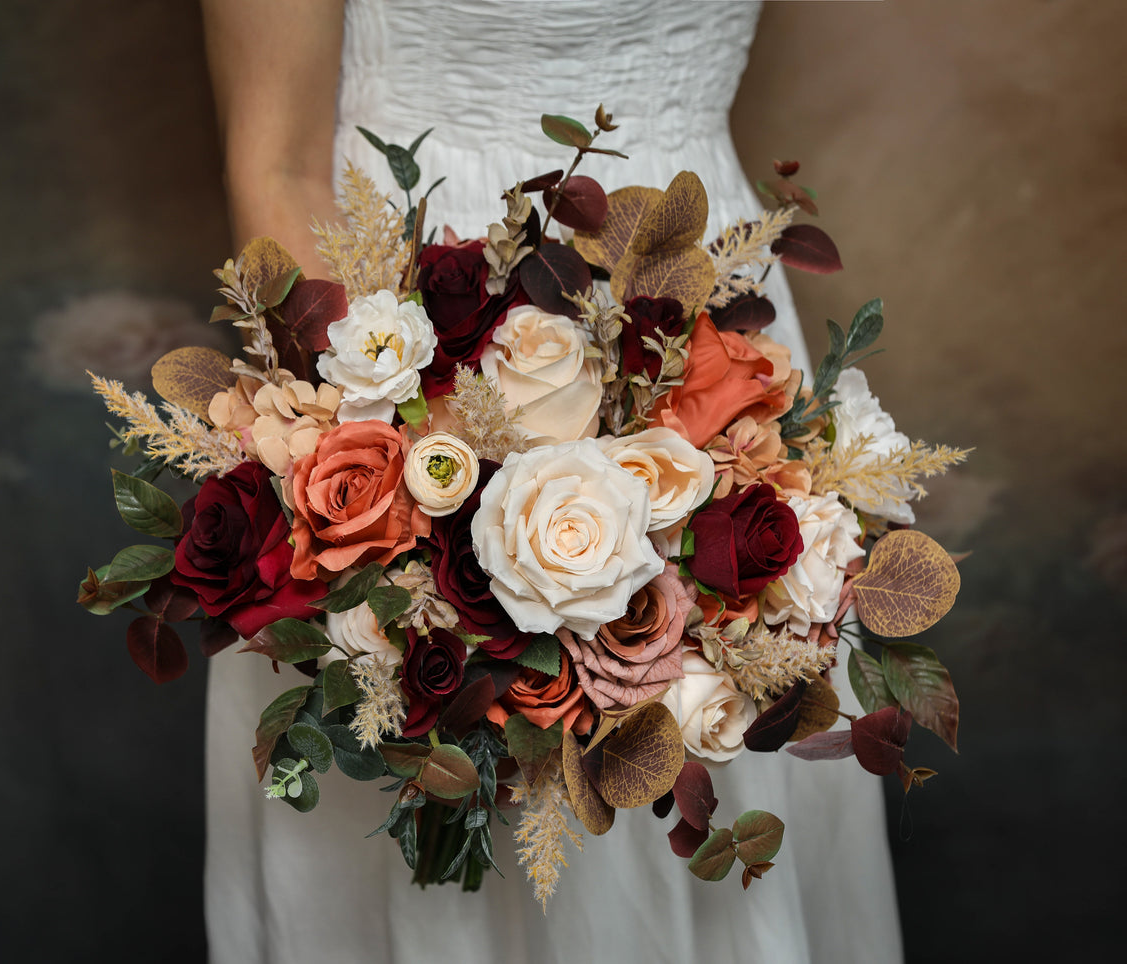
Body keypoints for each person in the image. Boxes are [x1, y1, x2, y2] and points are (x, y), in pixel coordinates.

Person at [199, 1, 904, 961]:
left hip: (711, 319)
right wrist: (387, 458)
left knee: (728, 712)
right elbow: (276, 161)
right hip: (413, 309)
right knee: (447, 767)